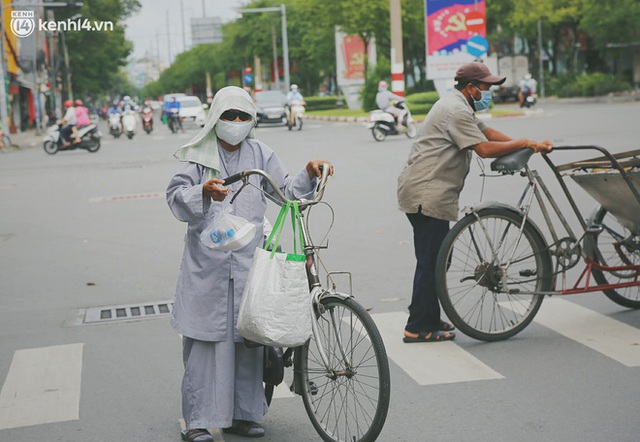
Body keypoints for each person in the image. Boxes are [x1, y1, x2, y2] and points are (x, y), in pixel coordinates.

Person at [166, 86, 333, 442]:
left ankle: (243, 415)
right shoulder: (197, 155)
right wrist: (203, 192)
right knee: (205, 345)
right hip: (206, 266)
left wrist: (309, 172)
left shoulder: (261, 152)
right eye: (229, 116)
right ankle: (197, 421)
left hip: (248, 263)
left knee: (249, 340)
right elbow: (176, 198)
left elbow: (286, 192)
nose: (236, 123)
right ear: (216, 119)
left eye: (243, 116)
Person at [396, 62, 553, 343]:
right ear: (470, 88)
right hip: (426, 192)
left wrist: (529, 144)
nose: (488, 91)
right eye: (486, 87)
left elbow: (488, 133)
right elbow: (484, 148)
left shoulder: (459, 106)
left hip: (426, 190)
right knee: (432, 260)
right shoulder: (456, 110)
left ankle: (427, 317)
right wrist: (525, 142)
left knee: (437, 260)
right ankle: (417, 325)